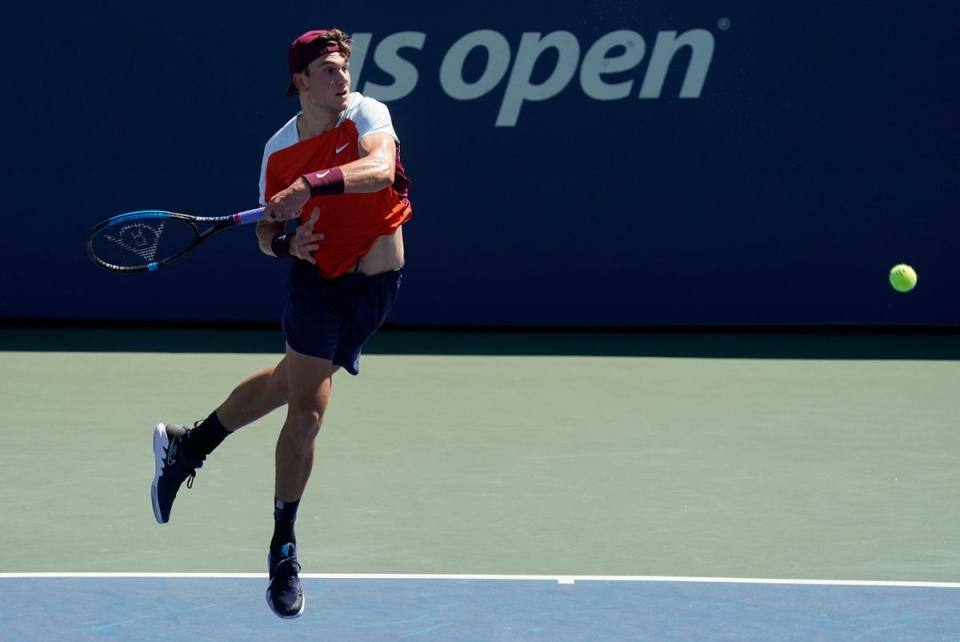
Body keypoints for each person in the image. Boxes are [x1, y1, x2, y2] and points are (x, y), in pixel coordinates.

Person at [149, 28, 412, 619]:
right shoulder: (278, 152)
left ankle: (186, 447)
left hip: (375, 292)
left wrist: (310, 186)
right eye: (327, 70)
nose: (342, 78)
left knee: (283, 384)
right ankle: (283, 549)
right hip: (318, 287)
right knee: (306, 414)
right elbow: (268, 233)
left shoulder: (369, 113)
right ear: (300, 81)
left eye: (344, 67)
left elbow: (380, 167)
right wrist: (288, 246)